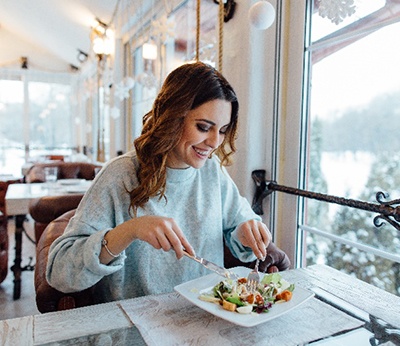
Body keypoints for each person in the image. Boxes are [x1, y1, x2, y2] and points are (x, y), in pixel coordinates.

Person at [46, 61, 290, 304]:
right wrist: (130, 230)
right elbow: (59, 272)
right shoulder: (121, 174)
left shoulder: (212, 171)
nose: (215, 142)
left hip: (206, 317)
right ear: (173, 117)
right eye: (204, 127)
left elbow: (240, 228)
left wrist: (247, 232)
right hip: (136, 328)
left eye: (223, 130)